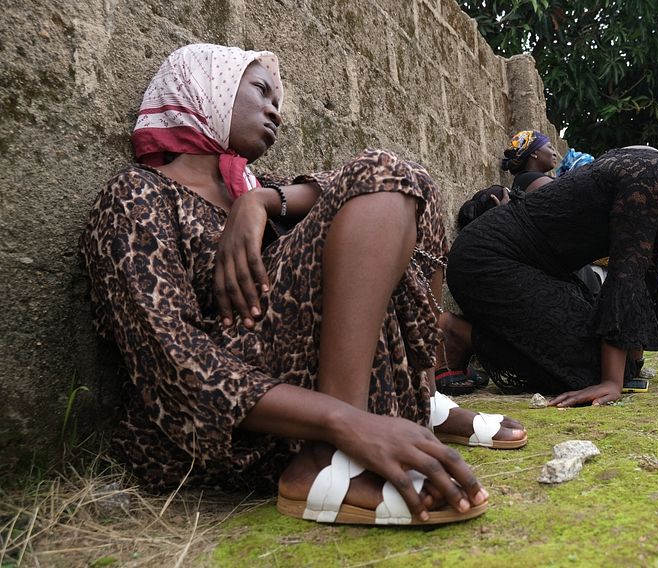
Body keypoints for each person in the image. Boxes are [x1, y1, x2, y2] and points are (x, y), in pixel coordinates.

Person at [80, 44, 525, 526]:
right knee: (388, 174)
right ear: (205, 88)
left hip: (316, 395)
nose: (275, 110)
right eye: (260, 90)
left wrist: (259, 202)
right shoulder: (137, 195)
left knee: (408, 182)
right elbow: (172, 360)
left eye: (278, 101)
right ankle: (329, 456)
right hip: (222, 425)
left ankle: (415, 398)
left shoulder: (255, 186)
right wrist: (345, 422)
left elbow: (359, 182)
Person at [445, 147, 658, 406]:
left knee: (621, 367)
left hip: (532, 269)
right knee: (591, 372)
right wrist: (610, 382)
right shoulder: (649, 178)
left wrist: (629, 365)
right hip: (487, 259)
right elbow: (624, 281)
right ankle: (458, 333)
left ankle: (471, 335)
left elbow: (641, 285)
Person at [501, 130, 557, 194]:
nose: (555, 153)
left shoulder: (524, 179)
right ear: (533, 153)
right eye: (550, 147)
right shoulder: (530, 178)